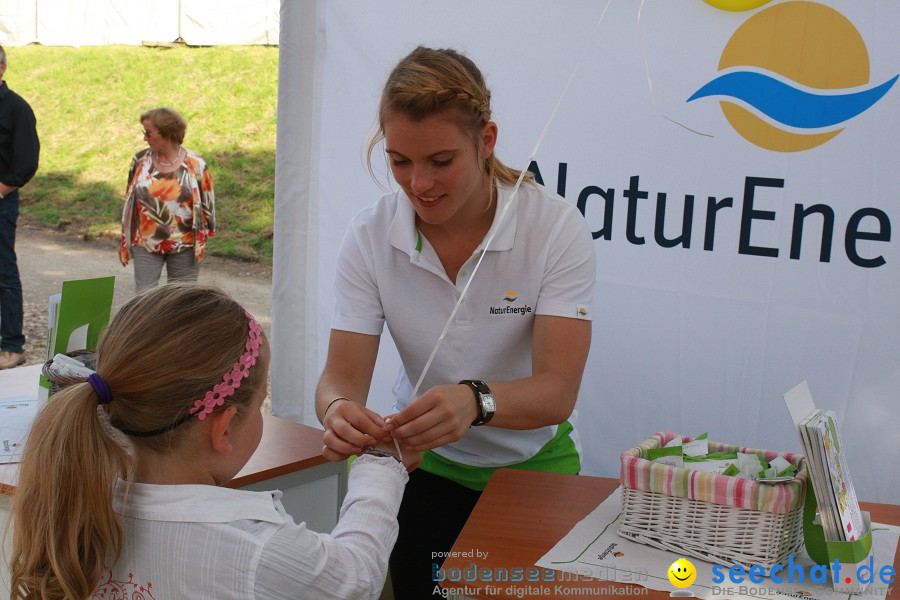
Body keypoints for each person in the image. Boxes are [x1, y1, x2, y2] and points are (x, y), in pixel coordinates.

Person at [315, 46, 596, 598]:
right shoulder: (370, 235)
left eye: (441, 161)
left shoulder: (555, 228)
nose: (419, 184)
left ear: (486, 141)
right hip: (424, 468)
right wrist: (339, 411)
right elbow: (339, 376)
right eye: (400, 161)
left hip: (532, 467)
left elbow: (557, 392)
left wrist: (475, 400)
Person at [9, 284, 417, 600]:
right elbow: (356, 576)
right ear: (222, 428)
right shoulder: (255, 546)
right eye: (260, 405)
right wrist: (382, 467)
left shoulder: (79, 499)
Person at [119, 107, 215, 293]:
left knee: (181, 299)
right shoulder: (139, 161)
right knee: (144, 298)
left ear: (167, 133)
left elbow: (208, 207)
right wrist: (125, 239)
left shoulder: (196, 164)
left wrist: (203, 241)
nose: (144, 138)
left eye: (148, 133)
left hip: (185, 244)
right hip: (146, 243)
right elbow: (129, 200)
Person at [0, 44, 40, 370]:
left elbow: (26, 160)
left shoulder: (16, 108)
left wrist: (2, 189)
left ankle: (13, 346)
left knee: (4, 273)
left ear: (2, 70)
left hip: (1, 202)